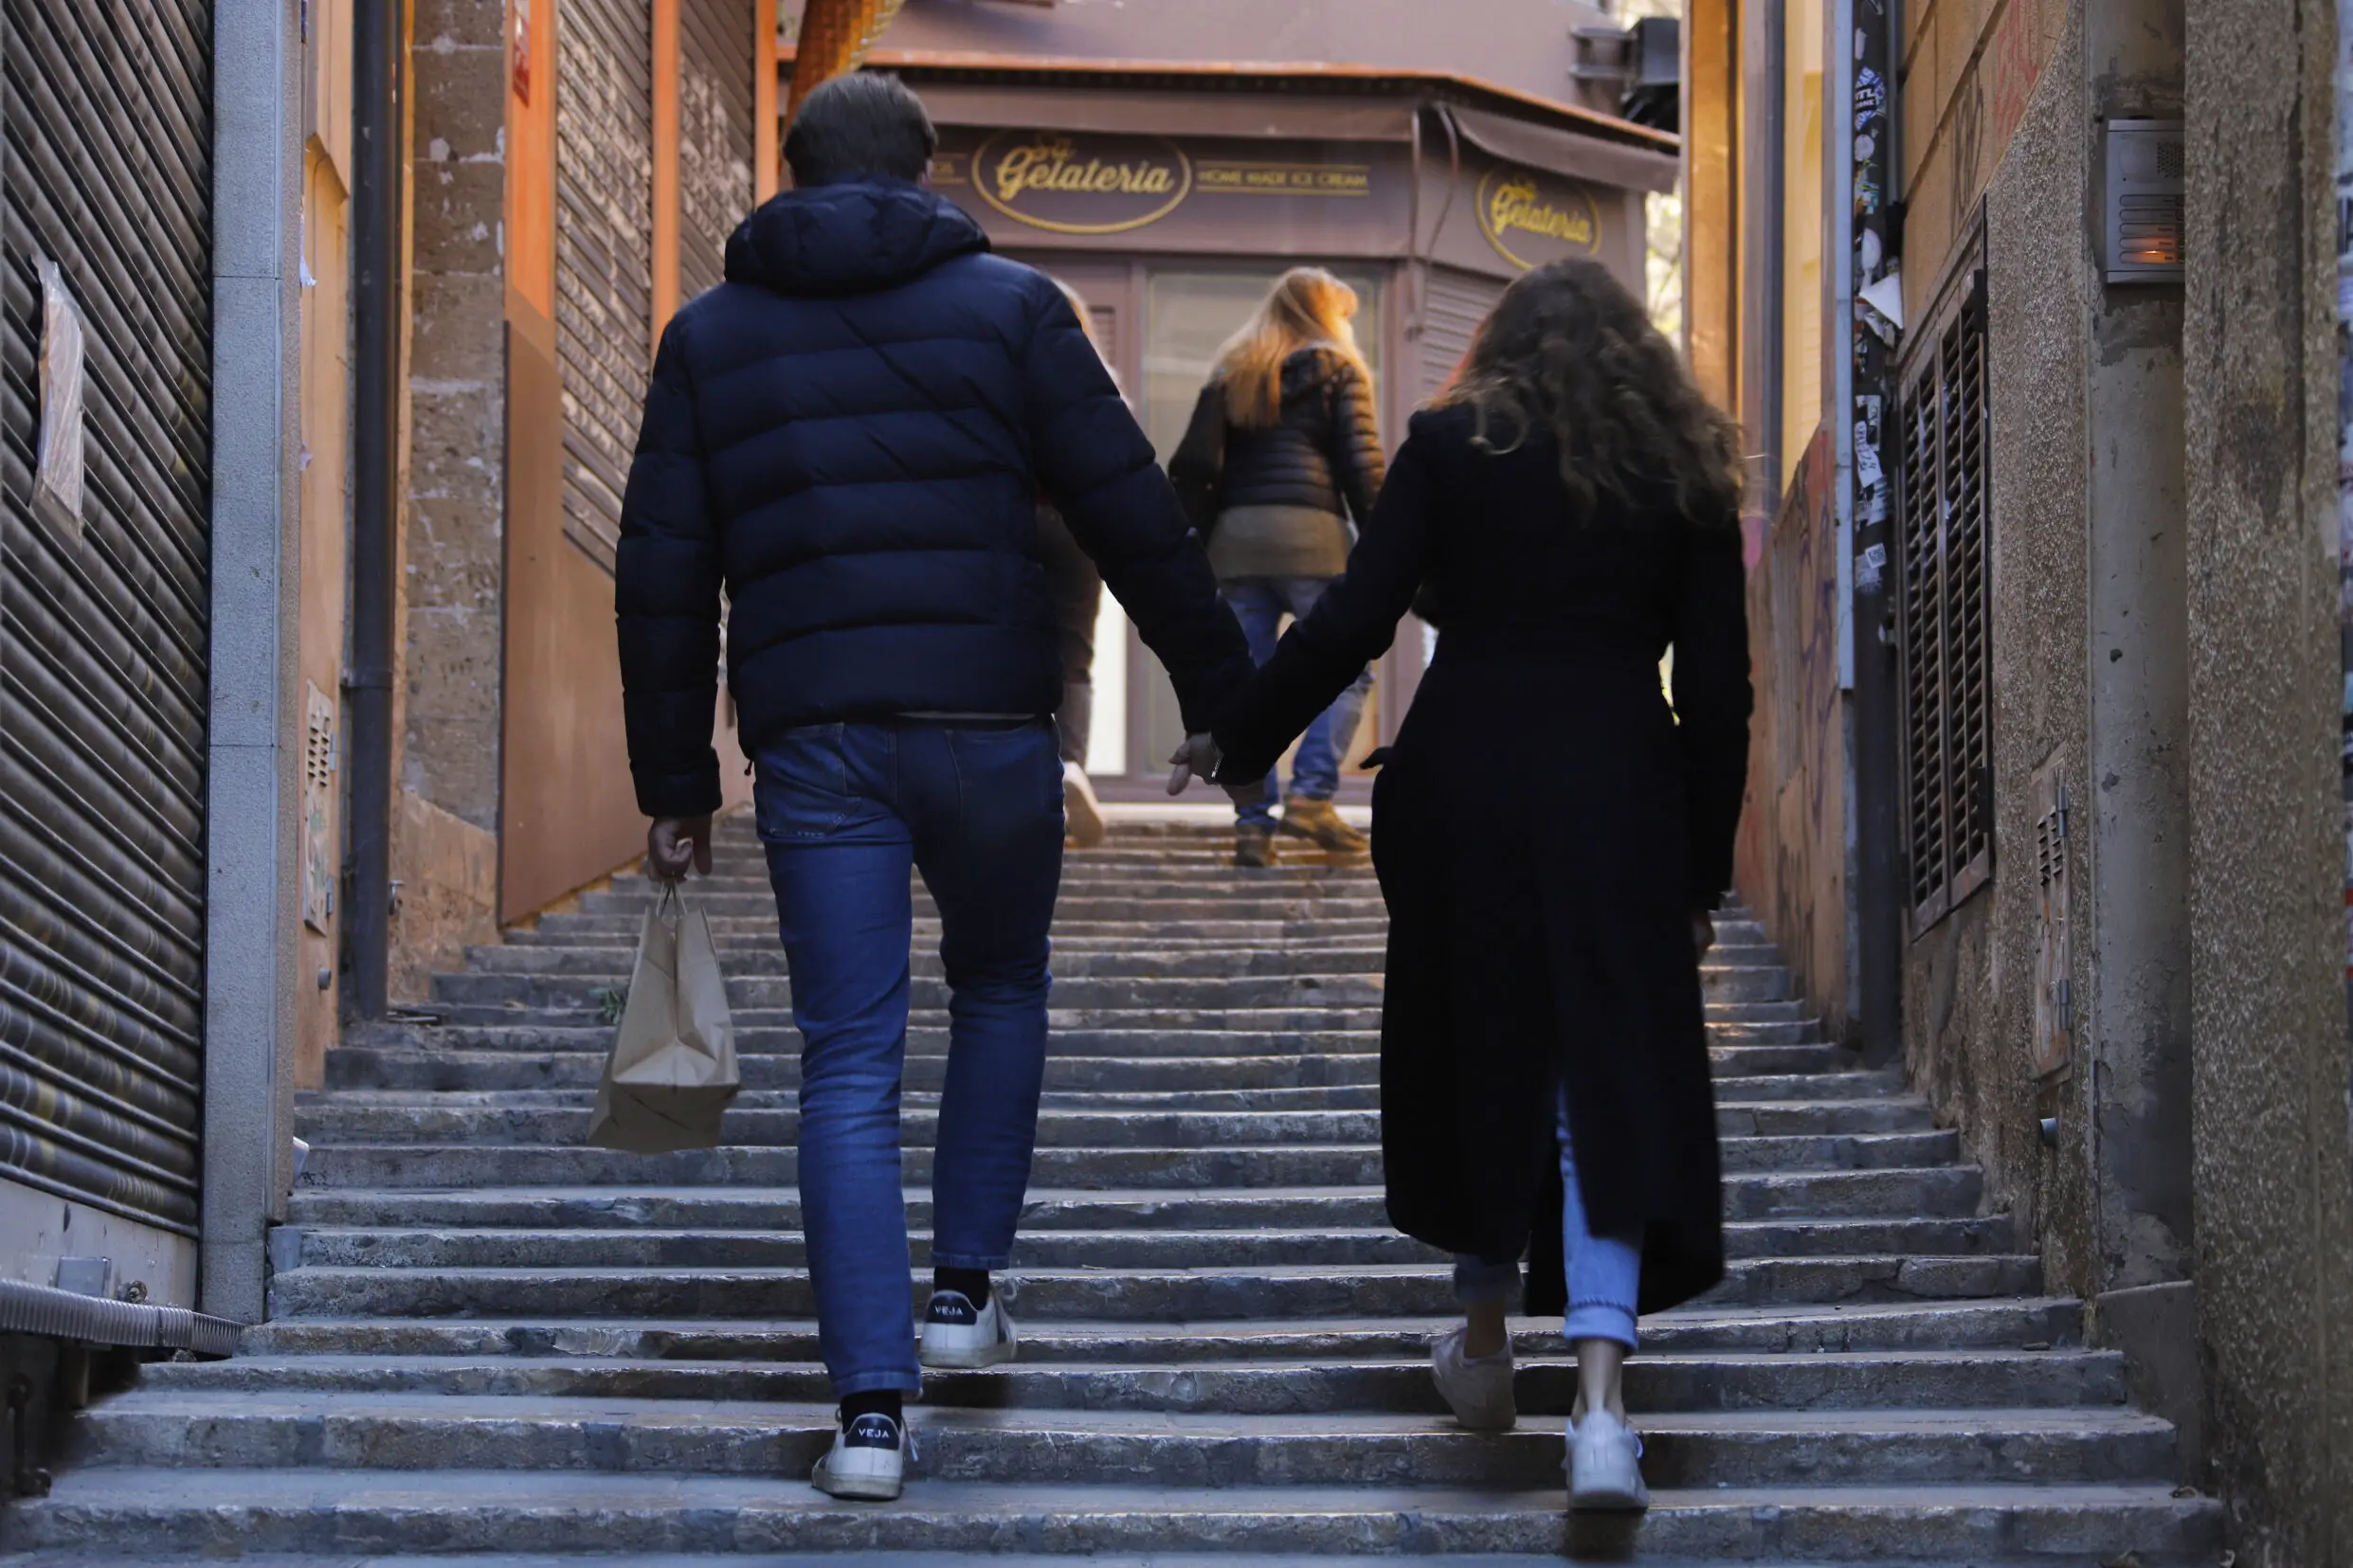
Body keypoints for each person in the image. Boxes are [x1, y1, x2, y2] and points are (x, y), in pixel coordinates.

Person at [614, 72, 1254, 1504]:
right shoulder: (1015, 309)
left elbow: (663, 566)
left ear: (790, 172)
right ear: (923, 172)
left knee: (845, 1061)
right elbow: (1131, 513)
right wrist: (1228, 699)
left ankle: (867, 1420)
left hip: (816, 741)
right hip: (989, 726)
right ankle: (962, 1291)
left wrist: (674, 779)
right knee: (1000, 983)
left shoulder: (708, 338)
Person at [1199, 259, 1753, 1511]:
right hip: (1616, 784)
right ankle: (1599, 1411)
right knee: (1602, 1077)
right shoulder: (1683, 465)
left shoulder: (1451, 447)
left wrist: (1239, 735)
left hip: (1466, 778)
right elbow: (1718, 696)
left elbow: (1352, 618)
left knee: (1480, 1043)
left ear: (1498, 348)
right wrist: (1697, 872)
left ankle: (1489, 1347)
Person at [1168, 267, 1385, 867]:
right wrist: (1386, 543)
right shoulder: (1339, 369)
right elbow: (1361, 464)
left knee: (1246, 682)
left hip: (1237, 545)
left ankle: (1252, 824)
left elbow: (1198, 463)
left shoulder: (1233, 369)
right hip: (1313, 541)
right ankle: (1311, 796)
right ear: (1325, 315)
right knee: (1347, 669)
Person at [1034, 278, 1115, 848]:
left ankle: (1011, 766)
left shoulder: (997, 377)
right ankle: (1068, 766)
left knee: (1002, 644)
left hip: (1011, 522)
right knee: (1074, 654)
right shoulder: (1097, 387)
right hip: (1078, 528)